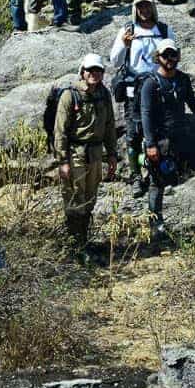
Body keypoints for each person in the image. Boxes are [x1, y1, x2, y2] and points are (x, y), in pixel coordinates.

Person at [139, 41, 195, 230]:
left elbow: (194, 105)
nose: (170, 59)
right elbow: (145, 114)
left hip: (184, 137)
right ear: (158, 57)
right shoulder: (150, 84)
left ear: (178, 56)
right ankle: (156, 225)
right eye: (165, 55)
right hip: (161, 141)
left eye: (173, 55)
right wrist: (150, 144)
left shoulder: (183, 79)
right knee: (157, 181)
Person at [108, 0, 174, 195]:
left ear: (152, 7)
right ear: (135, 9)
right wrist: (125, 46)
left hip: (158, 89)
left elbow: (173, 56)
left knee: (160, 132)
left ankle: (158, 173)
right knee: (133, 134)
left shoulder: (163, 30)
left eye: (147, 6)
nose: (144, 10)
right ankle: (136, 176)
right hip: (133, 91)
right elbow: (115, 61)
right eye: (140, 7)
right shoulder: (127, 30)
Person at [53, 53, 117, 250]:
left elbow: (109, 126)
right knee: (74, 199)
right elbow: (60, 131)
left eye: (98, 70)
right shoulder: (69, 95)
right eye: (90, 70)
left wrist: (112, 154)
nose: (94, 74)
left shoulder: (104, 95)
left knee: (90, 198)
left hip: (96, 154)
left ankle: (84, 242)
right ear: (82, 71)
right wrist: (63, 161)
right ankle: (74, 246)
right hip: (74, 154)